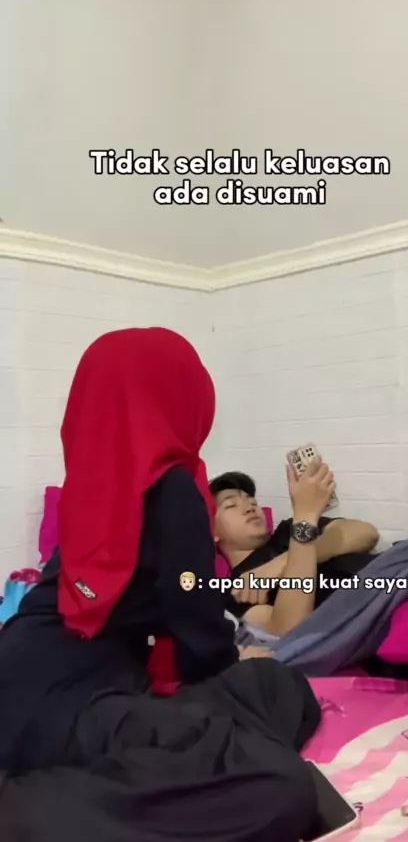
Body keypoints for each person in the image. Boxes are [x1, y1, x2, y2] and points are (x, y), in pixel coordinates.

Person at [0, 329, 322, 842]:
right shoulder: (173, 489)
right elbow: (201, 647)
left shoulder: (94, 484)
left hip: (25, 665)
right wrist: (232, 658)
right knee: (277, 781)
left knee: (275, 688)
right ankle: (26, 812)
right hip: (73, 698)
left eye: (249, 501)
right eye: (229, 502)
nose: (244, 507)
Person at [211, 468, 379, 636]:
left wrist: (278, 565)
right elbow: (286, 627)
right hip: (366, 609)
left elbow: (366, 532)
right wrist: (305, 517)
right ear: (212, 532)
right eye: (231, 505)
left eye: (252, 501)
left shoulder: (290, 529)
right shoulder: (235, 588)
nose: (249, 507)